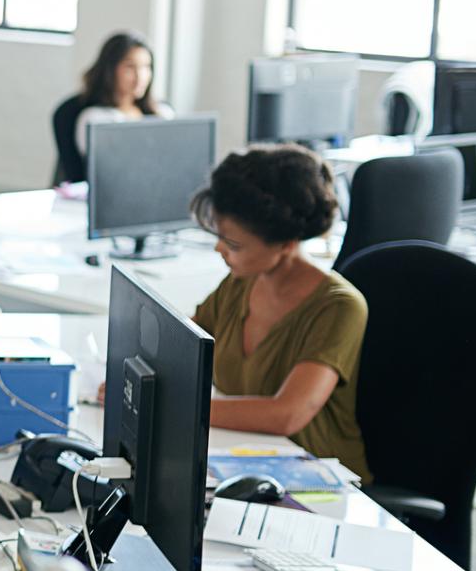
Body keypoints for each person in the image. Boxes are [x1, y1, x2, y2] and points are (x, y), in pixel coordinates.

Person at [189, 145, 372, 481]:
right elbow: (182, 341)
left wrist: (179, 406)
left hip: (315, 482)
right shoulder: (241, 281)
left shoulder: (339, 307)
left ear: (286, 244)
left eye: (234, 244)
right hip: (246, 460)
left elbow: (286, 414)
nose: (220, 249)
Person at [74, 31, 172, 155]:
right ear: (110, 70)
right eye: (130, 67)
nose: (140, 77)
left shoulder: (163, 112)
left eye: (146, 67)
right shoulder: (95, 120)